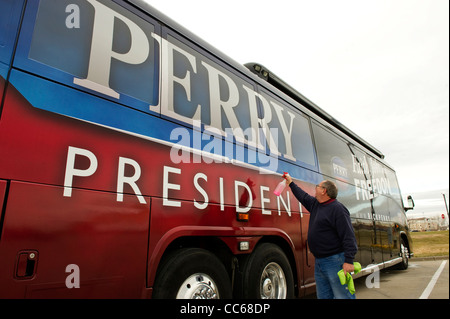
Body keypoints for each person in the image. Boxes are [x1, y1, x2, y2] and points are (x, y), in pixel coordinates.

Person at [284, 174, 358, 299]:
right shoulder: (316, 205)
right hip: (319, 262)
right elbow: (303, 196)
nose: (315, 188)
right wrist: (290, 183)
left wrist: (348, 260)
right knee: (323, 296)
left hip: (335, 261)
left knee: (343, 296)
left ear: (324, 191)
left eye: (318, 186)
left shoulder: (338, 209)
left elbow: (348, 236)